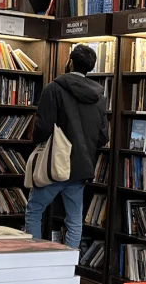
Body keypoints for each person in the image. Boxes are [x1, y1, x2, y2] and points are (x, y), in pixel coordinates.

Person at [26, 45, 109, 248]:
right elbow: (103, 136)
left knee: (35, 210)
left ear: (69, 62)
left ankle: (33, 258)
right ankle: (70, 266)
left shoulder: (53, 89)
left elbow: (43, 127)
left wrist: (38, 144)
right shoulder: (99, 97)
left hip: (56, 163)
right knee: (74, 219)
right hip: (82, 167)